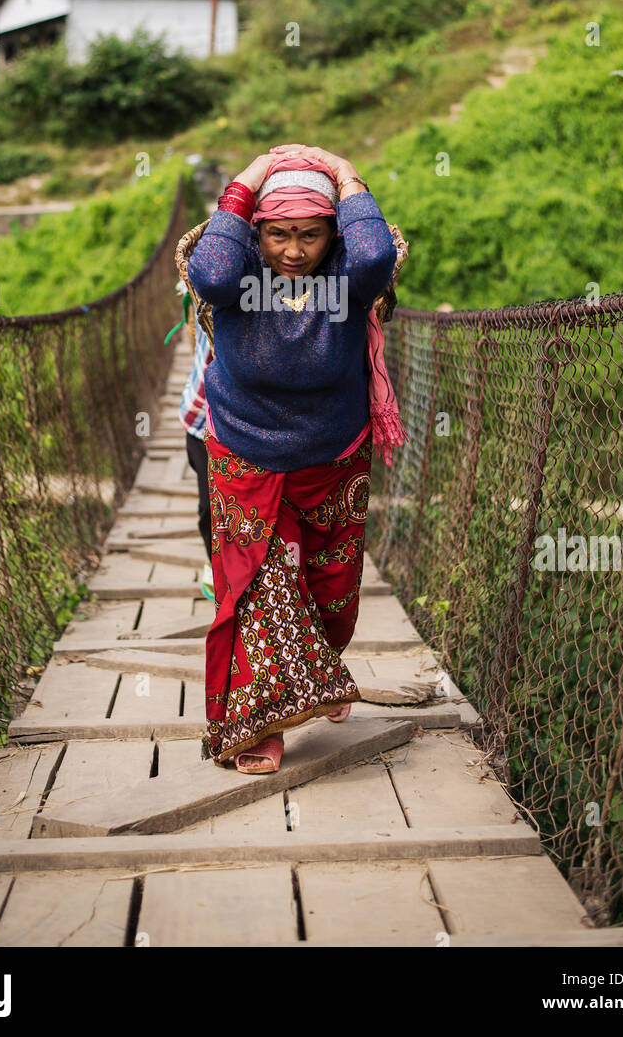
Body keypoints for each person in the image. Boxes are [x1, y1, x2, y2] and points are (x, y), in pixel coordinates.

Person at [186, 144, 408, 774]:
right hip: (246, 455)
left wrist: (344, 174)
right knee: (261, 586)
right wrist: (251, 177)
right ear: (254, 232)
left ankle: (320, 667)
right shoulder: (235, 285)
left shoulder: (347, 280)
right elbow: (210, 272)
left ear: (332, 233)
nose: (292, 250)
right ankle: (258, 727)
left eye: (309, 235)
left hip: (332, 459)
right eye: (277, 234)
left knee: (330, 591)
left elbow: (375, 254)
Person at [177, 312, 215, 599]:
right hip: (201, 419)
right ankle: (215, 563)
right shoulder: (209, 280)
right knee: (209, 509)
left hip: (248, 419)